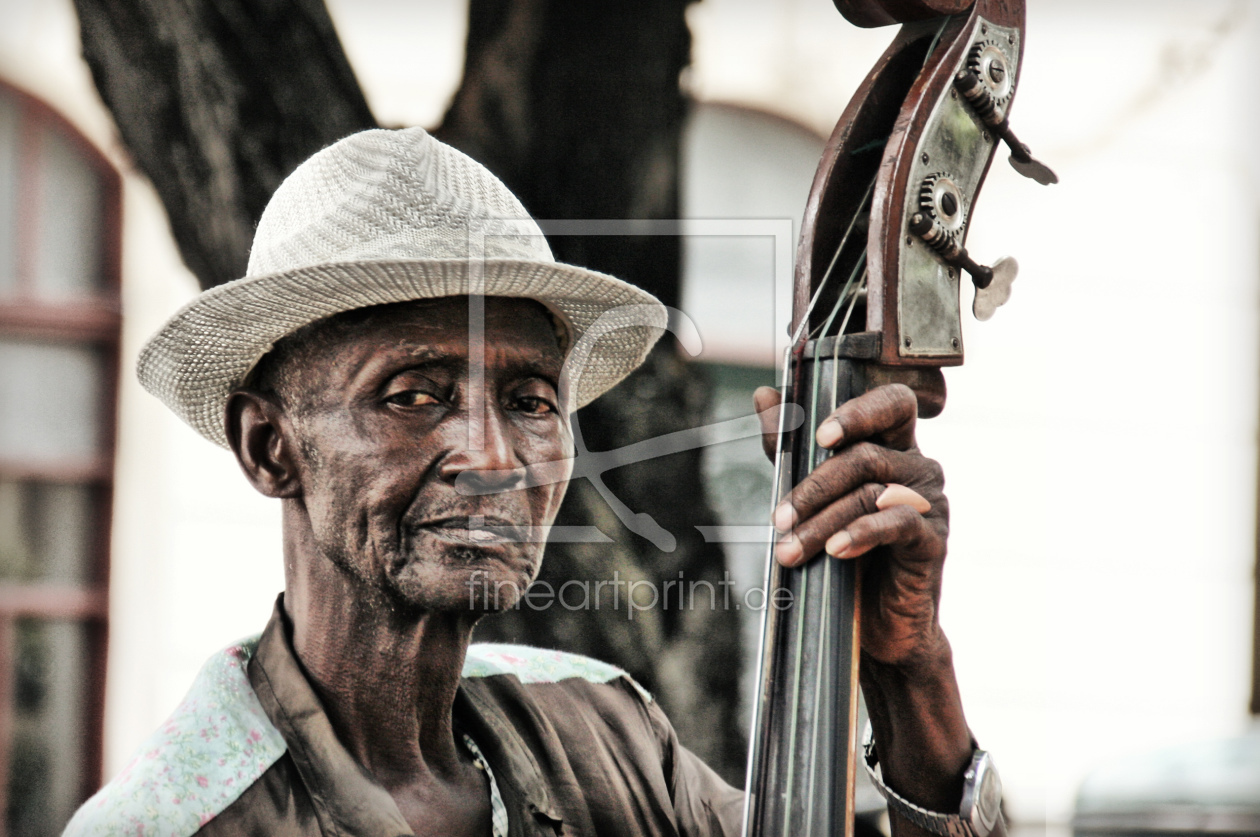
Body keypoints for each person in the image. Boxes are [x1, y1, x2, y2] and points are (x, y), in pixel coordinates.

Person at [65, 127, 997, 837]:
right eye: (414, 393)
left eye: (530, 399)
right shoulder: (171, 821)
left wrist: (906, 670)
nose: (496, 456)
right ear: (271, 448)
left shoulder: (611, 736)